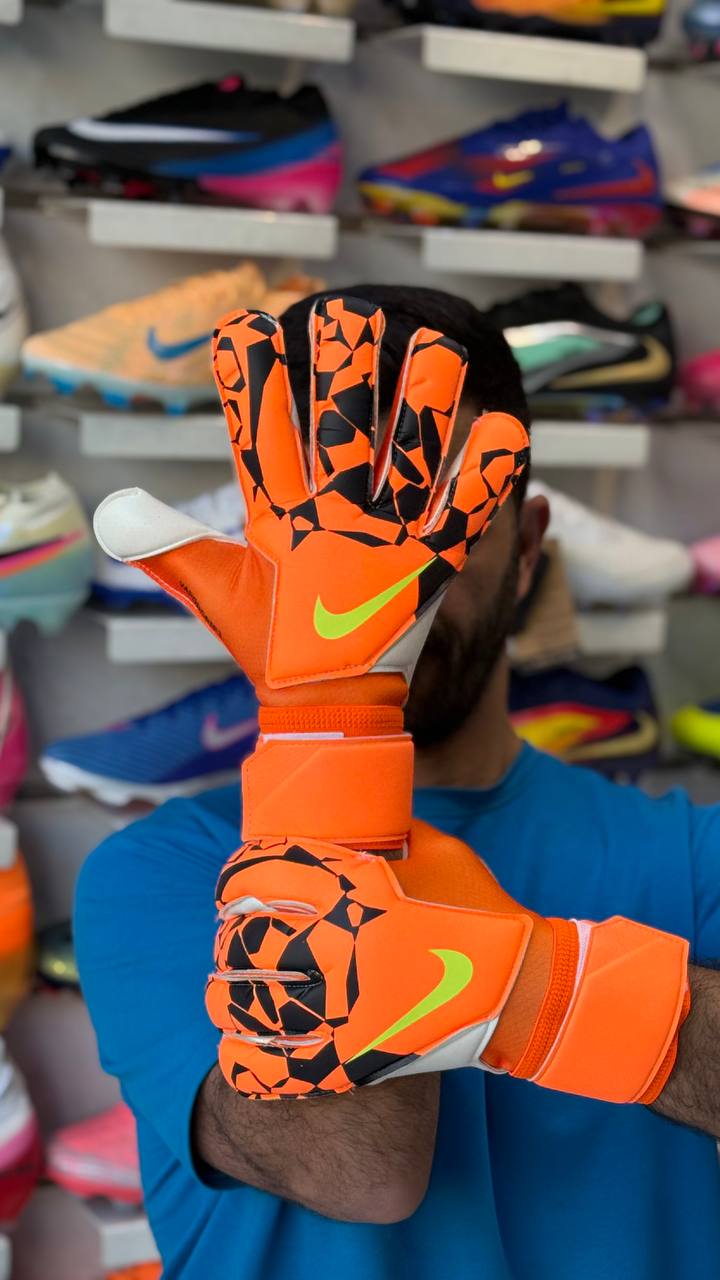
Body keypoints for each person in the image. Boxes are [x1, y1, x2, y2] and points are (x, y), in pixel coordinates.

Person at [76, 284, 720, 1280]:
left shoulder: (690, 854)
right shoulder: (154, 875)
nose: (390, 587)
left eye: (436, 519)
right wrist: (336, 716)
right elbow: (359, 1167)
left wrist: (535, 989)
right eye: (322, 536)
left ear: (528, 548)